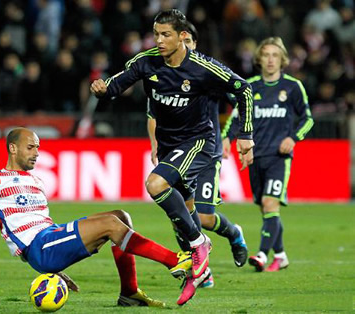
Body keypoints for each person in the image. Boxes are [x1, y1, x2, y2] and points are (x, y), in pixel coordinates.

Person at [90, 9, 254, 305]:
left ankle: (199, 244)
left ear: (182, 37)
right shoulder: (147, 62)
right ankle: (199, 266)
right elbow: (116, 85)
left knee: (156, 185)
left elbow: (244, 90)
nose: (159, 40)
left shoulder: (203, 68)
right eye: (156, 34)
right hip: (169, 145)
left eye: (165, 35)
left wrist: (245, 134)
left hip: (199, 143)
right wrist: (102, 89)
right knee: (185, 216)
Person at [0, 127, 194, 308]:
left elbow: (35, 226)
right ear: (13, 148)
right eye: (30, 147)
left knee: (120, 216)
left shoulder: (36, 181)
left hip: (49, 241)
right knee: (110, 225)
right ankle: (174, 261)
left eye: (38, 148)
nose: (37, 153)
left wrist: (57, 269)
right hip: (39, 248)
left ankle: (129, 293)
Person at [147, 22, 249, 289]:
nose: (187, 47)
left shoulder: (207, 75)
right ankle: (201, 270)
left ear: (192, 43)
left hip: (205, 151)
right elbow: (152, 113)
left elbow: (240, 99)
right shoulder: (163, 75)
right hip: (175, 150)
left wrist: (231, 134)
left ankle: (233, 233)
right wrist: (153, 144)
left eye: (190, 42)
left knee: (202, 217)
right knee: (179, 216)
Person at [222, 37, 314, 272]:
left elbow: (307, 119)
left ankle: (262, 254)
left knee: (270, 202)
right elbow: (237, 117)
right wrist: (226, 138)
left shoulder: (293, 87)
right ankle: (281, 254)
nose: (271, 60)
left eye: (275, 55)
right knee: (266, 208)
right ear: (259, 59)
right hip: (254, 156)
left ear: (282, 60)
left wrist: (293, 138)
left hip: (278, 158)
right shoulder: (249, 87)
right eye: (266, 55)